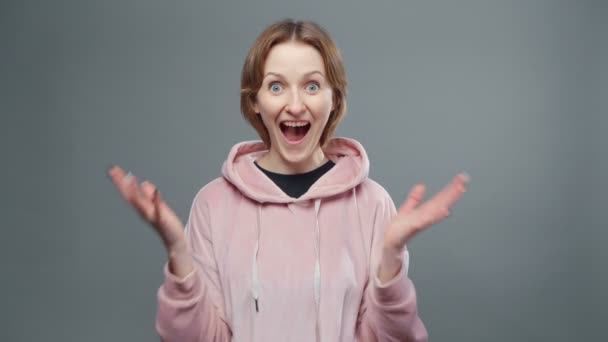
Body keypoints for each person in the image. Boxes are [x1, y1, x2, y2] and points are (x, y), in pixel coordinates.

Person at [107, 18, 468, 342]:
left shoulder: (372, 204)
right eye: (276, 87)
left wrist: (391, 262)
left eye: (312, 87)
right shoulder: (212, 204)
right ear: (255, 103)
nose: (295, 105)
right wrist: (178, 254)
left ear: (334, 99)